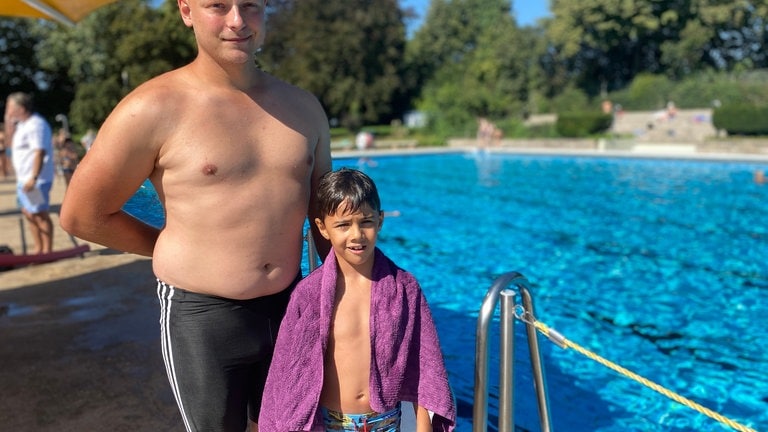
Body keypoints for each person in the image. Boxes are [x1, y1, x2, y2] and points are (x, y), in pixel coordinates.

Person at [59, 0, 332, 430]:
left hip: (288, 306)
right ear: (186, 10)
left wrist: (355, 291)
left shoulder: (303, 108)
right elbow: (82, 214)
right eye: (218, 6)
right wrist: (165, 246)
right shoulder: (151, 108)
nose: (238, 21)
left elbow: (324, 214)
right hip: (201, 318)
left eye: (251, 5)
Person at [259, 168, 456, 432]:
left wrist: (423, 426)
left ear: (380, 221)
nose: (356, 235)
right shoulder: (309, 296)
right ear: (323, 228)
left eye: (366, 222)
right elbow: (288, 372)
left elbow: (424, 363)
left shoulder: (405, 288)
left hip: (386, 421)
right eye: (343, 224)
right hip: (330, 423)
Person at [4, 92, 56, 255]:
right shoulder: (22, 125)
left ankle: (47, 251)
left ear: (20, 108)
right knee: (28, 213)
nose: (8, 110)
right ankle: (38, 248)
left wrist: (33, 178)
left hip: (36, 179)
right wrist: (8, 122)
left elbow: (39, 152)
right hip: (23, 179)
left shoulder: (36, 124)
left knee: (40, 214)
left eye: (9, 107)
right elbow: (8, 146)